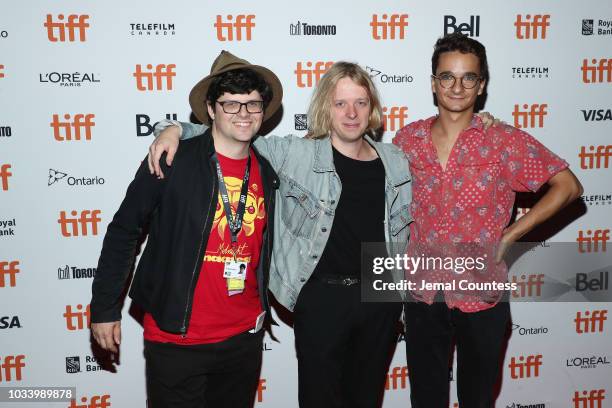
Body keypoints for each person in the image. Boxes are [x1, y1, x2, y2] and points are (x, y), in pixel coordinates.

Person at [149, 62, 411, 408]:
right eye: (340, 103)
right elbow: (225, 135)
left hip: (380, 298)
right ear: (324, 108)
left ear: (372, 108)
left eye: (361, 103)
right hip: (322, 299)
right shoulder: (295, 153)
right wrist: (173, 130)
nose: (351, 113)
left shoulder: (394, 159)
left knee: (367, 398)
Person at [392, 33, 583, 408]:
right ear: (433, 83)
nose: (457, 87)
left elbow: (568, 186)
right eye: (447, 77)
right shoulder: (407, 140)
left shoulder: (502, 141)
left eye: (468, 78)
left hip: (482, 293)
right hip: (423, 294)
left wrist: (512, 234)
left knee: (477, 399)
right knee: (425, 399)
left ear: (481, 85)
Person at [90, 50, 282, 407]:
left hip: (243, 338)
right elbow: (123, 232)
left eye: (253, 104)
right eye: (231, 104)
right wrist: (104, 308)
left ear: (263, 110)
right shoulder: (171, 159)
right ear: (211, 109)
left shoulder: (269, 171)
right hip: (176, 339)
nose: (243, 114)